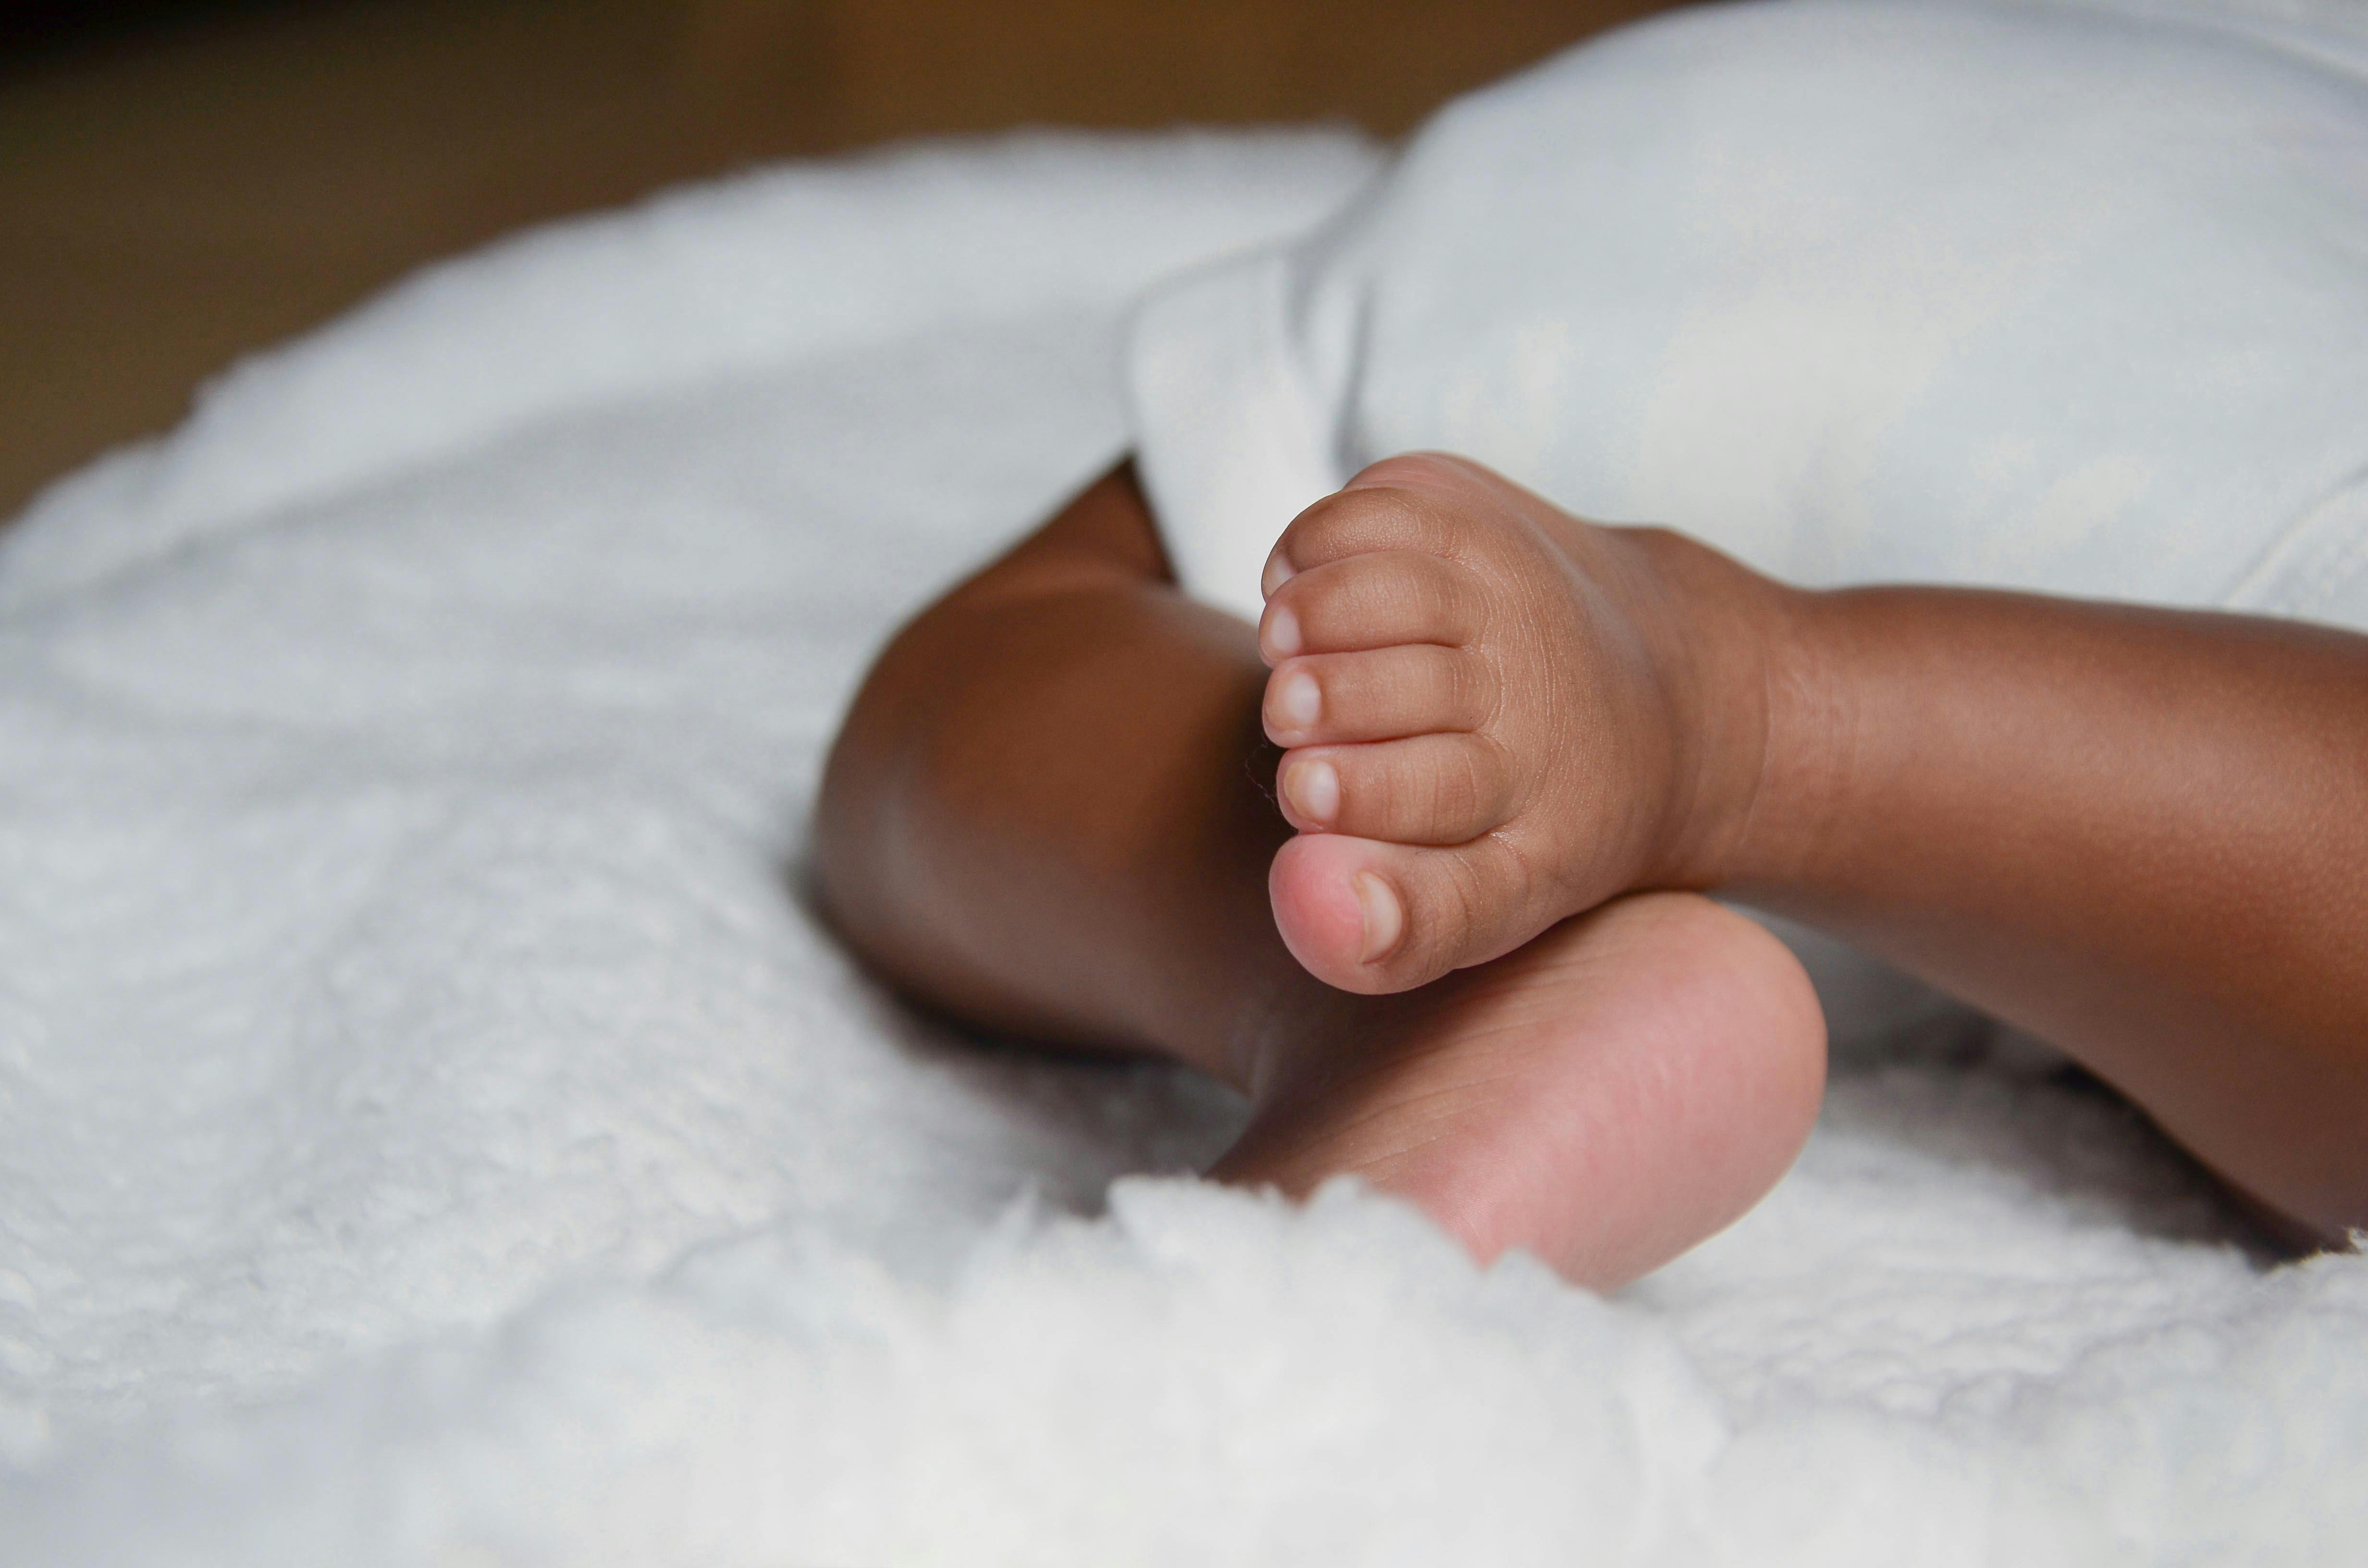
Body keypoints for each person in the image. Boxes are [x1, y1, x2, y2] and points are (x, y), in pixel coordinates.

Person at [814, 0, 2368, 1288]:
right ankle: (1765, 720)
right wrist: (1750, 719)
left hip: (1687, 147)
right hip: (2256, 381)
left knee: (989, 662)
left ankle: (1399, 997)